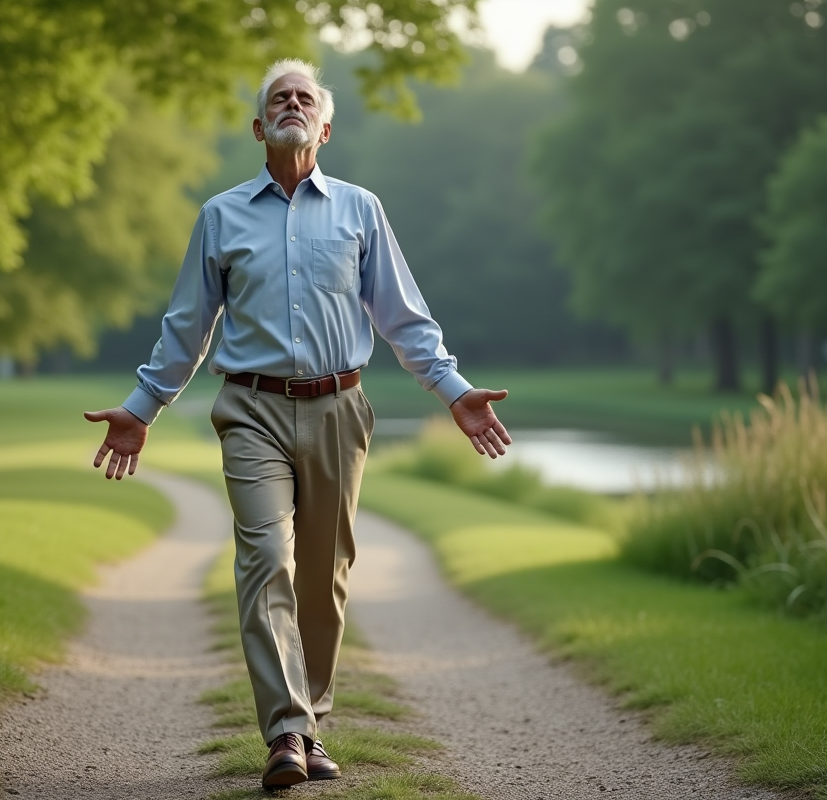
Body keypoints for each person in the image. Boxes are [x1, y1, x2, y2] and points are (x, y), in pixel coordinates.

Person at [83, 58, 512, 789]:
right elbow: (187, 327)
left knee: (324, 579)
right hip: (249, 409)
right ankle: (286, 731)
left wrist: (453, 390)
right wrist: (142, 406)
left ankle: (310, 719)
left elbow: (402, 317)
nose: (290, 104)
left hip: (340, 409)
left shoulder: (360, 210)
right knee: (264, 560)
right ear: (258, 127)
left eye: (303, 97)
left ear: (326, 125)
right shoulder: (221, 216)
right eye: (277, 98)